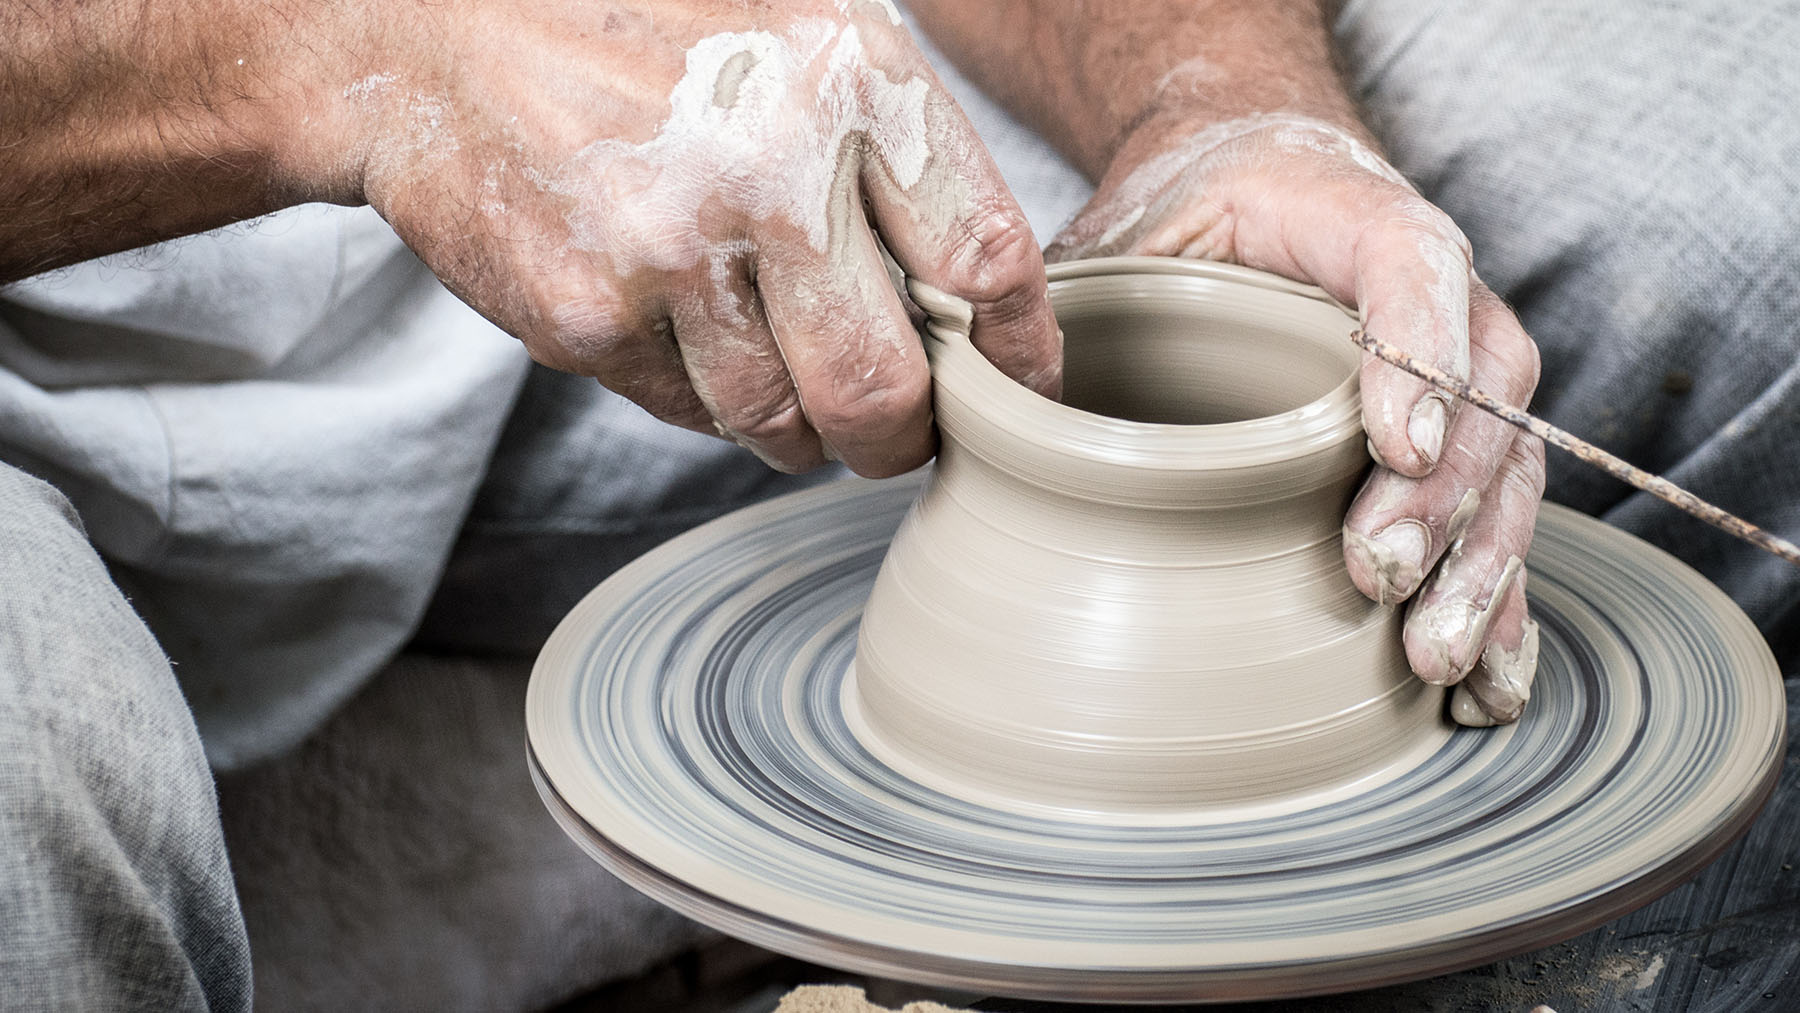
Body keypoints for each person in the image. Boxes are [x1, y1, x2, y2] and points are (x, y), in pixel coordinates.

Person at [0, 0, 1793, 1008]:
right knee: (37, 786)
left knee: (1738, 210)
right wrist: (355, 56)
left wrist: (1211, 105)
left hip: (730, 142)